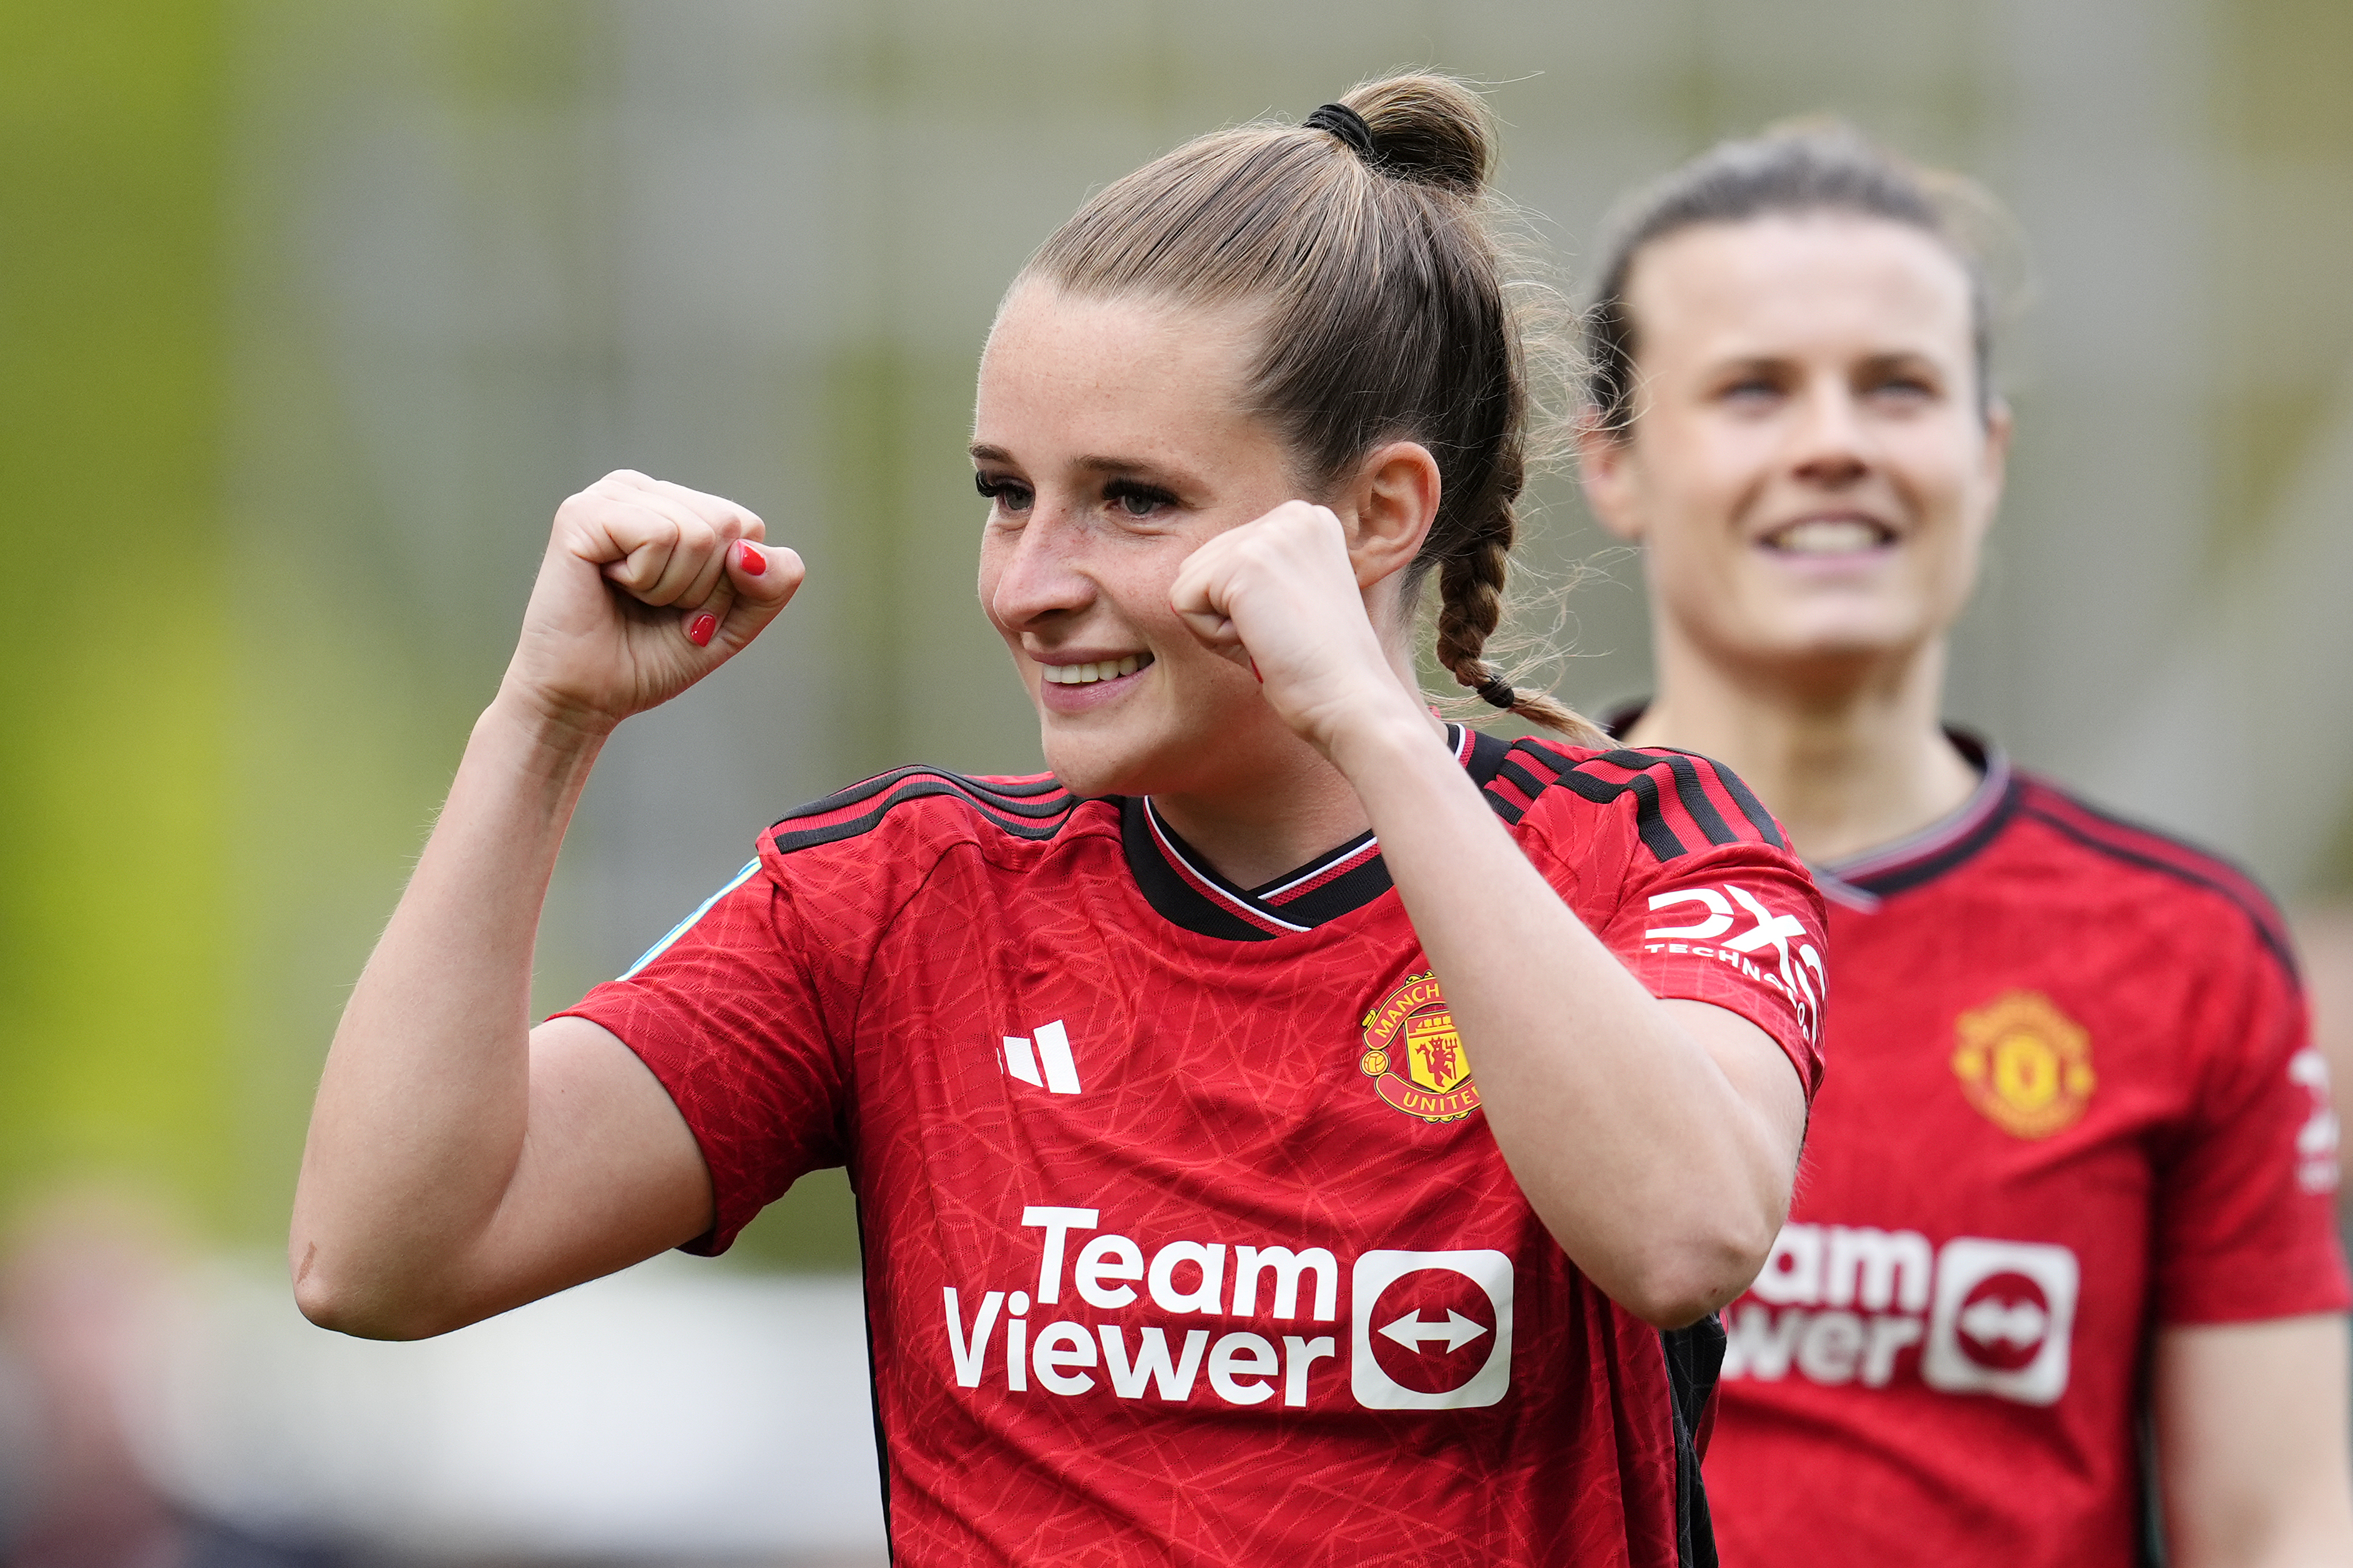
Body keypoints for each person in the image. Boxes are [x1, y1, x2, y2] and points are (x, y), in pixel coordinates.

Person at [288, 76, 1829, 1567]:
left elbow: (1685, 1232)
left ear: (1376, 517)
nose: (1030, 582)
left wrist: (1364, 716)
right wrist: (543, 722)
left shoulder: (1644, 849)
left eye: (1133, 500)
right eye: (1003, 493)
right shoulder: (898, 902)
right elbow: (378, 1258)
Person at [1575, 124, 2353, 1567]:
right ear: (1612, 466)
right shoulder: (1473, 887)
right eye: (1752, 390)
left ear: (1985, 458)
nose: (1833, 442)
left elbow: (2278, 1526)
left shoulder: (2181, 947)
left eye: (1898, 387)